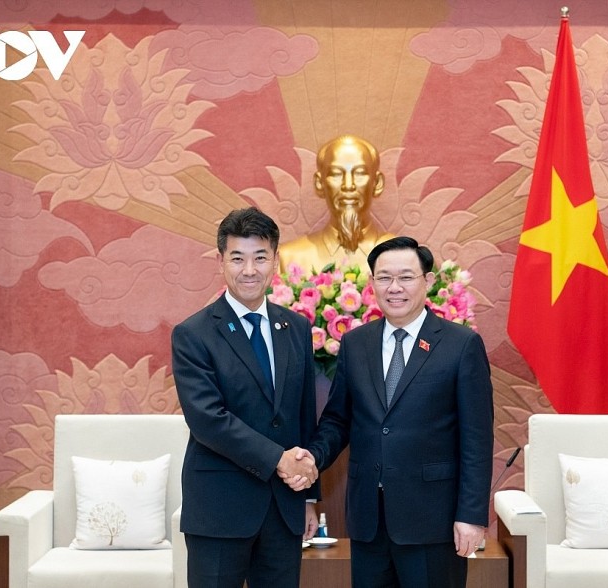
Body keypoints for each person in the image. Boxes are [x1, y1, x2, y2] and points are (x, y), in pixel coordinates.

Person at [300, 236, 494, 587]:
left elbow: (477, 439)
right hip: (367, 520)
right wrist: (312, 458)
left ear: (428, 282)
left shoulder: (460, 345)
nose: (395, 287)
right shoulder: (356, 344)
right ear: (371, 283)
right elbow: (337, 420)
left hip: (433, 520)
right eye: (384, 277)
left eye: (406, 277)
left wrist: (471, 515)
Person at [172, 207, 320, 588]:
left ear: (275, 260)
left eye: (260, 257)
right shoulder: (194, 334)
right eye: (237, 258)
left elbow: (303, 416)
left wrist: (308, 498)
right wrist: (279, 460)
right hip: (220, 508)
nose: (249, 270)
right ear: (221, 261)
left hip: (284, 509)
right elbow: (209, 419)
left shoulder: (297, 327)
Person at [279, 135, 394, 273]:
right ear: (319, 183)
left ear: (377, 183)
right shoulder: (289, 258)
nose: (348, 185)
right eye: (336, 174)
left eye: (359, 173)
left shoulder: (406, 257)